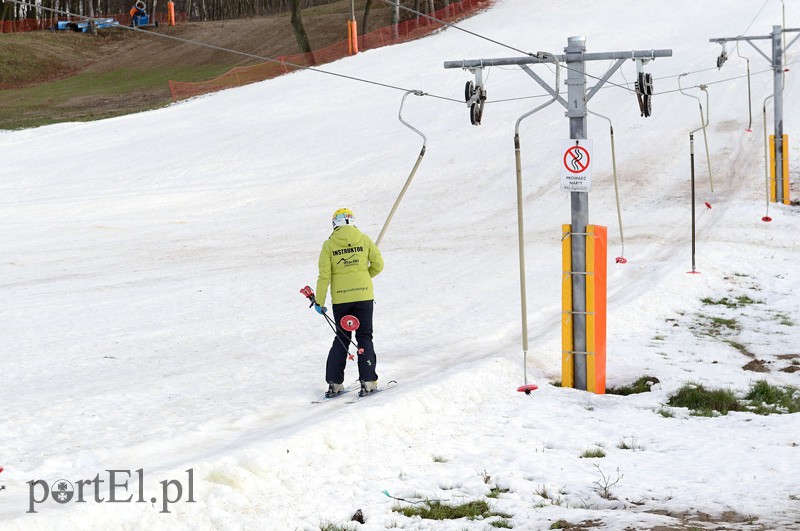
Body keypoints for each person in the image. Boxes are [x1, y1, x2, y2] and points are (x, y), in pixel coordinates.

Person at [314, 208, 384, 398]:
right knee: (364, 337)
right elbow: (379, 264)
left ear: (334, 223)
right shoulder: (364, 239)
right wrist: (363, 278)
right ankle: (368, 381)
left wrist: (319, 301)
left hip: (341, 299)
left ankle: (334, 383)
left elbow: (324, 276)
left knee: (342, 338)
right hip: (364, 297)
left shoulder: (329, 245)